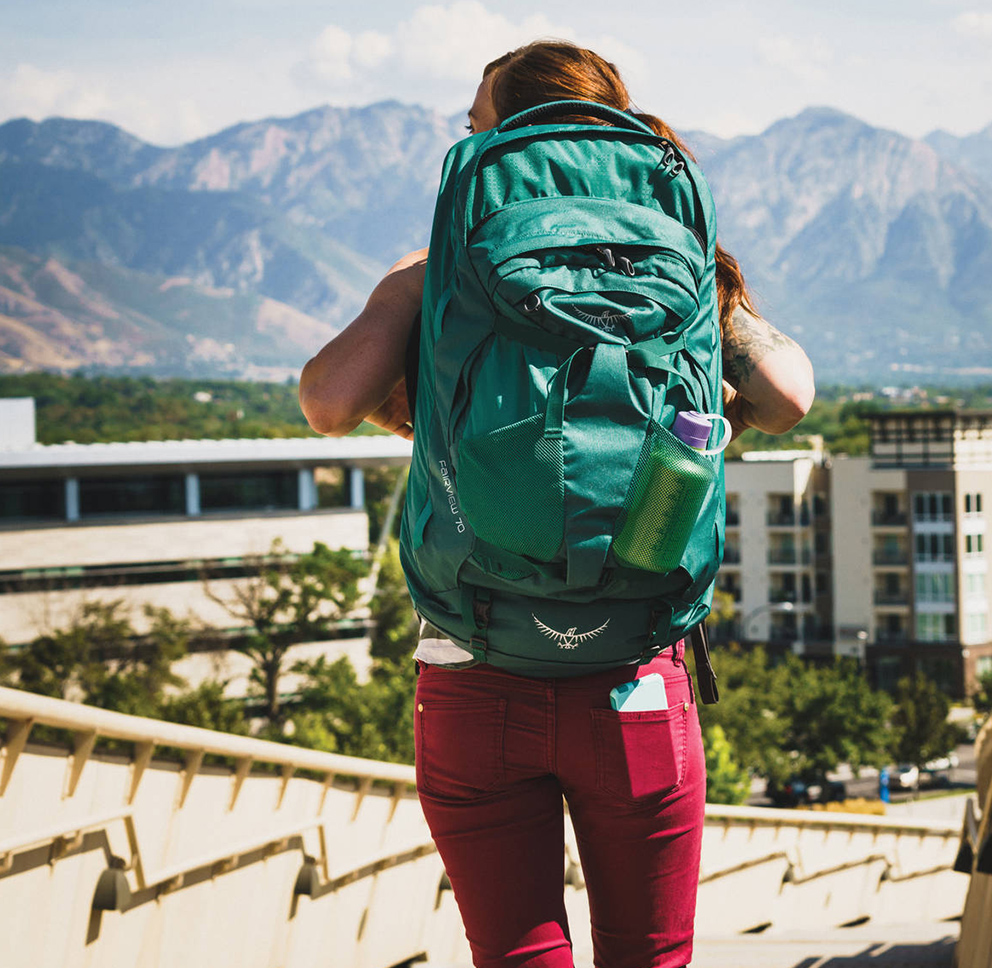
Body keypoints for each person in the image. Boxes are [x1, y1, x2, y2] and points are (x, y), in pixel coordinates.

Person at [299, 40, 813, 968]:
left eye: (475, 124)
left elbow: (328, 400)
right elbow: (791, 395)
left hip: (473, 666)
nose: (469, 138)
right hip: (636, 674)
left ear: (508, 137)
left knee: (517, 956)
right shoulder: (684, 259)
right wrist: (691, 420)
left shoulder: (434, 276)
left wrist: (445, 419)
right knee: (649, 957)